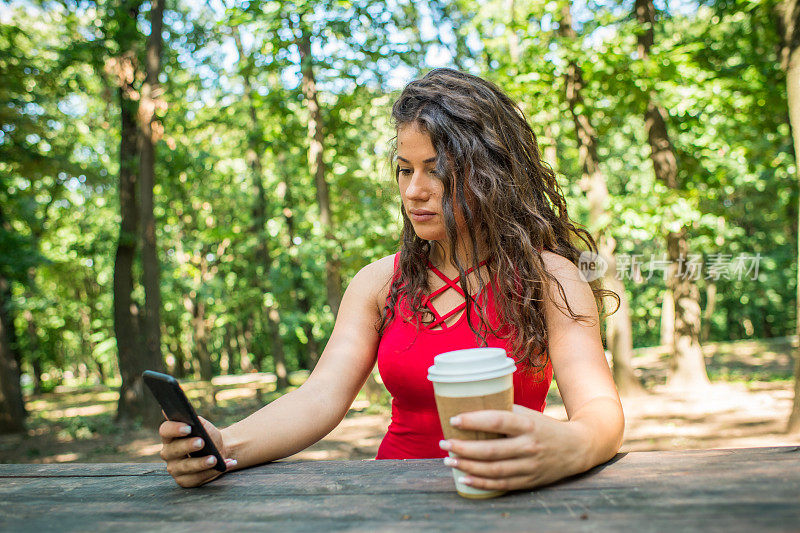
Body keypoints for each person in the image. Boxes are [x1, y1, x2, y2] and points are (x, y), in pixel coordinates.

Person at [158, 68, 625, 491]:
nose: (413, 191)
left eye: (436, 170)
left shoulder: (551, 278)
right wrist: (223, 444)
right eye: (405, 170)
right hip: (390, 501)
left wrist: (572, 446)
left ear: (492, 173)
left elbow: (600, 410)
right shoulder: (378, 283)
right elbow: (320, 397)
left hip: (509, 498)